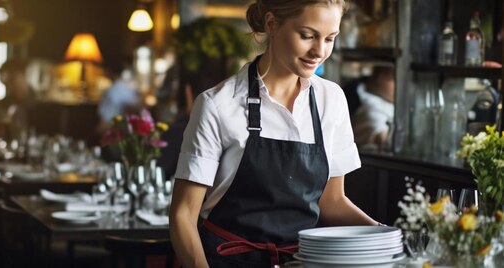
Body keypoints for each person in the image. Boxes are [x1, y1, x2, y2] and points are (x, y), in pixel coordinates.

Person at [169, 1, 380, 267]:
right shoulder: (218, 105)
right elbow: (183, 216)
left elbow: (332, 201)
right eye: (307, 35)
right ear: (271, 24)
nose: (319, 51)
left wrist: (386, 235)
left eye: (330, 39)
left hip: (302, 261)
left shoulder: (332, 99)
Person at [351, 65, 395, 151]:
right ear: (379, 77)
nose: (400, 84)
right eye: (393, 79)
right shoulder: (369, 104)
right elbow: (383, 139)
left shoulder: (387, 99)